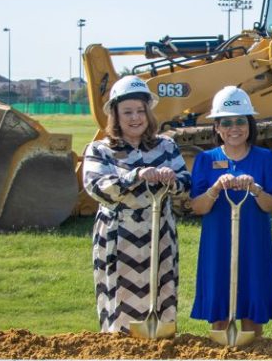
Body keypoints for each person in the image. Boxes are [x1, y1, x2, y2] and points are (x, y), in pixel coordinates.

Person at [82, 75, 191, 333]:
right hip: (118, 237)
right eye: (127, 112)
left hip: (159, 234)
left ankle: (160, 352)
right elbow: (96, 187)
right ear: (115, 116)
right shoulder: (100, 149)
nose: (135, 118)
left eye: (140, 111)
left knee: (161, 295)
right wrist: (136, 175)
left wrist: (171, 180)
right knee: (118, 305)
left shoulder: (166, 146)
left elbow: (187, 184)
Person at [190, 86, 272, 337]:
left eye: (241, 121)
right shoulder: (206, 159)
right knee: (219, 312)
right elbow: (197, 207)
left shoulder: (264, 158)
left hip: (253, 241)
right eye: (226, 122)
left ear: (250, 125)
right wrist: (215, 189)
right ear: (217, 127)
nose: (234, 128)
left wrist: (255, 188)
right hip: (217, 242)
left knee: (252, 310)